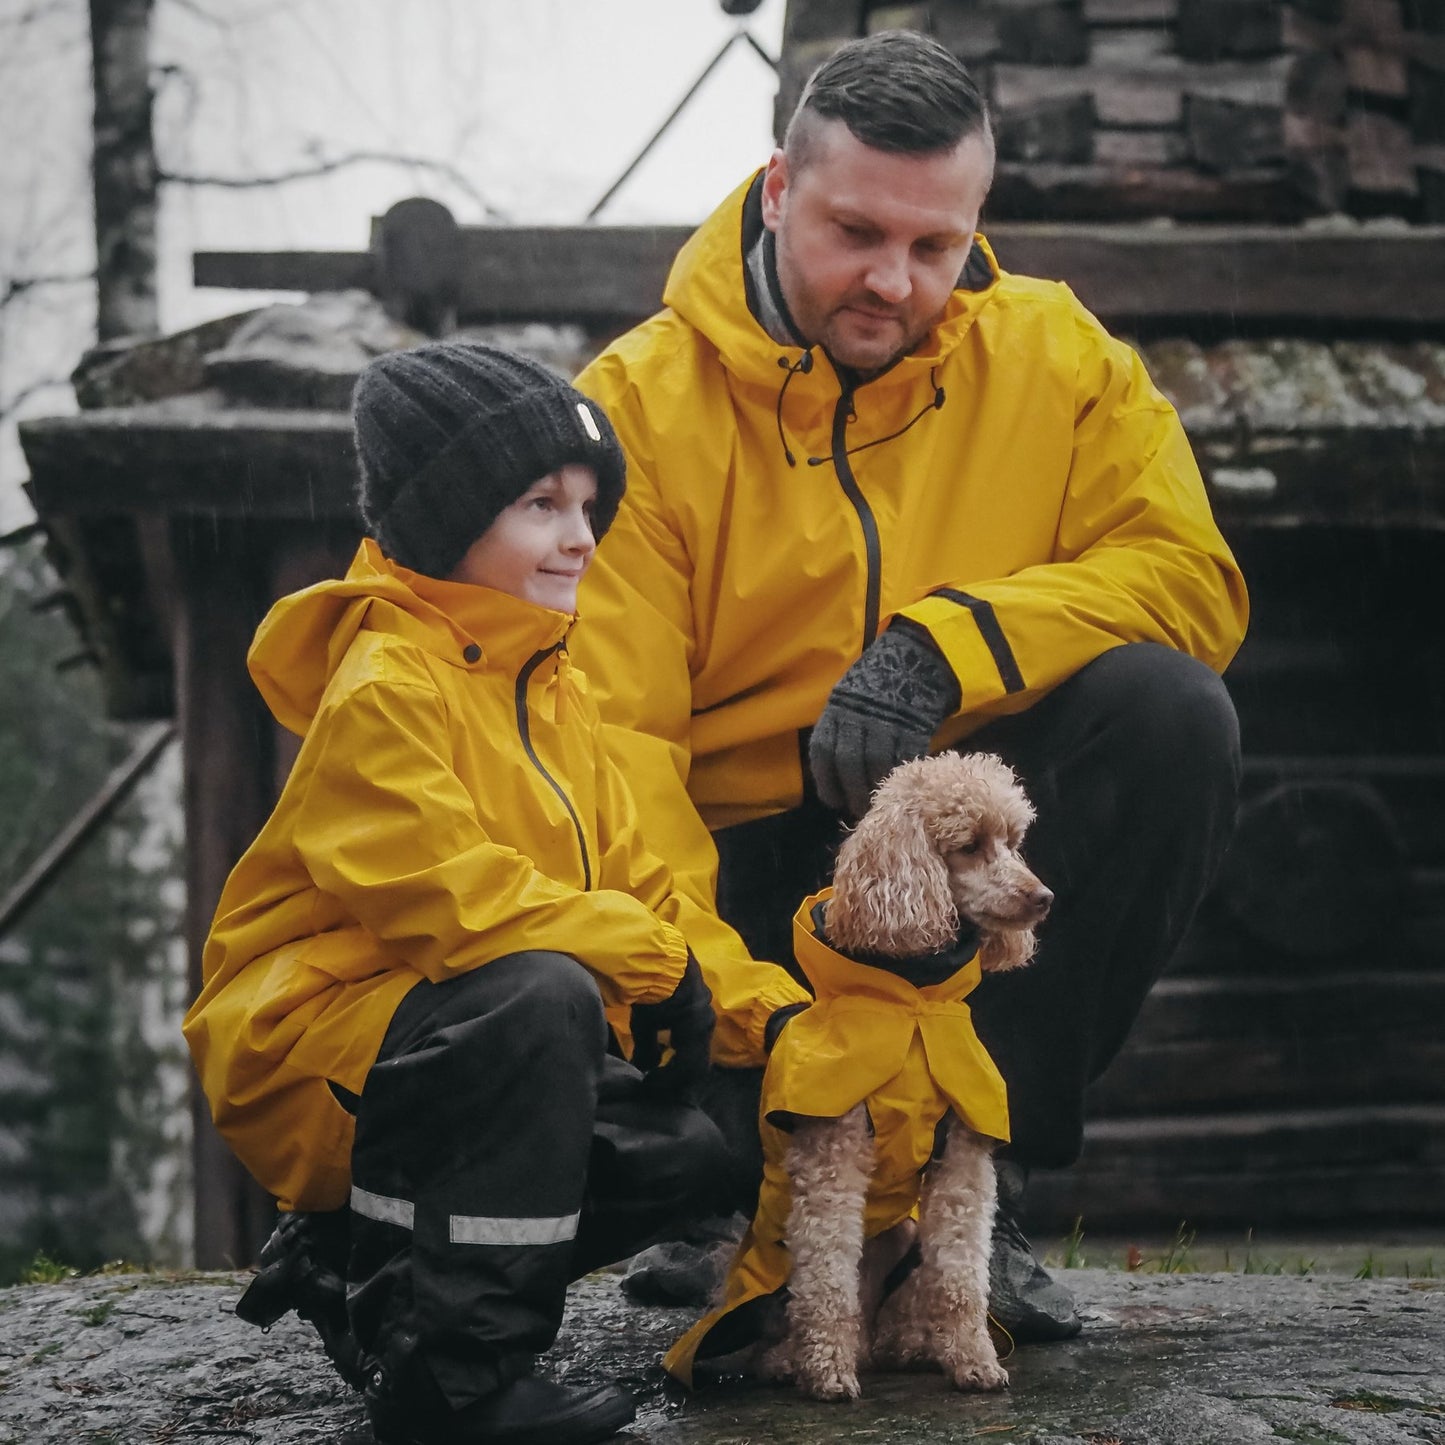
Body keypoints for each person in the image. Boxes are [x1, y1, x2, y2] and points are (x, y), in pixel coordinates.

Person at [571, 29, 1249, 1342]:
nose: (893, 282)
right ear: (778, 191)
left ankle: (979, 1203)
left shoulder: (1059, 356)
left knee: (1171, 716)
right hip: (747, 890)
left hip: (963, 853)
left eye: (934, 248)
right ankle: (739, 1195)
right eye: (854, 232)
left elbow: (1191, 580)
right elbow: (614, 754)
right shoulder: (633, 411)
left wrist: (945, 646)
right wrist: (729, 1016)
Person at [182, 342, 736, 1445]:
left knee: (701, 1142)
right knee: (537, 994)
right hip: (311, 1040)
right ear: (444, 523)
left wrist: (772, 1016)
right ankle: (452, 1379)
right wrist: (647, 960)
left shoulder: (554, 693)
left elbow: (642, 891)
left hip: (439, 1040)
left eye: (585, 504)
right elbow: (453, 901)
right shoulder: (385, 687)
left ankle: (355, 1259)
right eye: (539, 504)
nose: (579, 536)